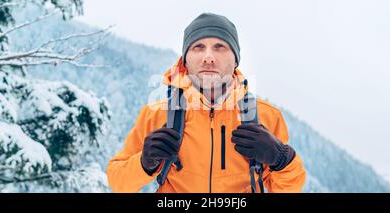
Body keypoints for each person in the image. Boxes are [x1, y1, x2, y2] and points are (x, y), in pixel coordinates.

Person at [107, 12, 306, 193]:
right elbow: (118, 182)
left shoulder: (265, 116)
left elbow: (287, 188)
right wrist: (143, 163)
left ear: (236, 60)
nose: (208, 57)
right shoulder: (158, 114)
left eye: (219, 47)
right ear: (185, 61)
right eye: (198, 47)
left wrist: (282, 160)